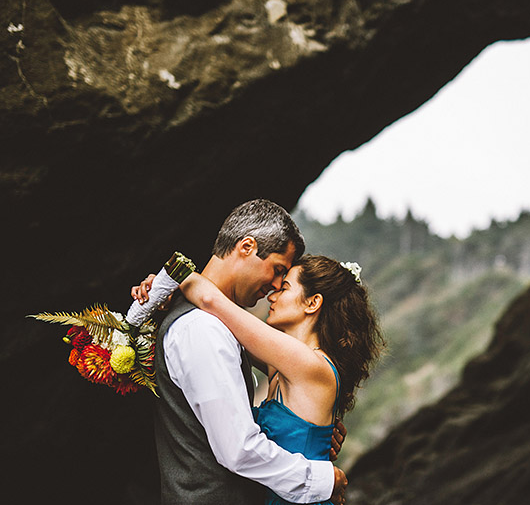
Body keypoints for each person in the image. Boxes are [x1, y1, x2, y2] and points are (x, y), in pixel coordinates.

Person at [134, 199, 348, 505]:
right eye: (276, 270)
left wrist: (313, 430)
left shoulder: (212, 322)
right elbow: (238, 449)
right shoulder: (203, 329)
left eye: (284, 281)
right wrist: (322, 479)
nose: (275, 287)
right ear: (246, 247)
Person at [175, 253, 385, 505]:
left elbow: (210, 300)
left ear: (312, 303)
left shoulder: (311, 365)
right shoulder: (281, 368)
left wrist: (169, 280)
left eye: (284, 288)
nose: (271, 295)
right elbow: (225, 329)